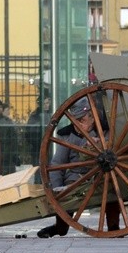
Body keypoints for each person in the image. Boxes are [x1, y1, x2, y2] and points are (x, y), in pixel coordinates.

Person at [37, 98, 120, 238]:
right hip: (77, 178)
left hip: (102, 177)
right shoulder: (68, 137)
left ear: (92, 118)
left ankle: (114, 227)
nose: (77, 125)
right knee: (68, 195)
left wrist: (100, 144)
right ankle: (60, 227)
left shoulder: (104, 133)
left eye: (82, 120)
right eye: (76, 121)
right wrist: (56, 191)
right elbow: (57, 164)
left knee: (112, 190)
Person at [26, 92, 52, 166]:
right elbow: (29, 133)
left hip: (50, 148)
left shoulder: (51, 114)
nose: (46, 105)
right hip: (37, 148)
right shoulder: (34, 116)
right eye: (44, 103)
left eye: (47, 103)